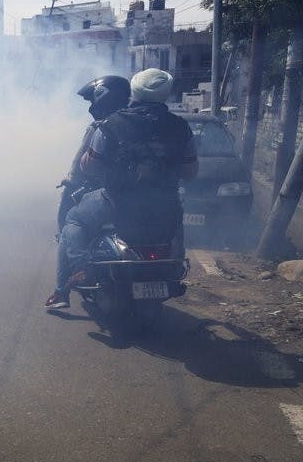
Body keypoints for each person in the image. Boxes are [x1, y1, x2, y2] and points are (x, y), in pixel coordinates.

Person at [45, 68, 197, 310]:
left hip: (116, 204)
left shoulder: (111, 125)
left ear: (135, 91)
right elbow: (190, 173)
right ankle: (174, 267)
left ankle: (81, 272)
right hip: (165, 206)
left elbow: (91, 168)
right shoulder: (181, 127)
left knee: (74, 220)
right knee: (175, 221)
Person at [56, 75, 131, 235]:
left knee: (70, 222)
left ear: (105, 99)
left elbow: (82, 166)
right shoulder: (135, 123)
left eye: (93, 102)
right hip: (143, 196)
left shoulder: (102, 127)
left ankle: (72, 257)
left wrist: (71, 182)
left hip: (107, 194)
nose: (91, 108)